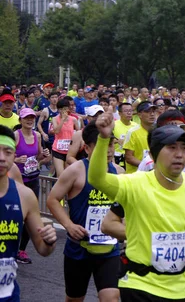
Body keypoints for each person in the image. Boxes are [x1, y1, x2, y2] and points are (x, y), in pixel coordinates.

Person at [88, 115, 185, 301]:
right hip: (140, 285)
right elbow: (97, 179)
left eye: (184, 148)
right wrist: (103, 138)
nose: (179, 154)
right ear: (153, 155)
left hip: (180, 287)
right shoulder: (135, 184)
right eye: (171, 148)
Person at [47, 122, 124, 302]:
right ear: (87, 148)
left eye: (111, 144)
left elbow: (124, 207)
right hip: (79, 249)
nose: (109, 150)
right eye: (102, 145)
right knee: (75, 299)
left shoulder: (119, 173)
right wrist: (69, 225)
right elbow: (52, 200)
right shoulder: (76, 170)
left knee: (111, 298)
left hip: (109, 249)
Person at [0, 124, 58, 301]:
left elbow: (43, 248)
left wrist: (49, 240)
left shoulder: (24, 196)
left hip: (7, 293)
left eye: (8, 152)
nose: (2, 158)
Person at [14, 108, 50, 264]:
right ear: (20, 120)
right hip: (17, 180)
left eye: (31, 118)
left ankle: (21, 250)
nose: (29, 120)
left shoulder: (37, 136)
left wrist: (45, 155)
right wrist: (16, 160)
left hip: (33, 179)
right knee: (15, 216)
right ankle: (9, 247)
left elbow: (38, 156)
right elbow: (6, 155)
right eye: (26, 118)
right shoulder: (16, 136)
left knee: (30, 217)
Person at [123, 101, 157, 173]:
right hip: (136, 176)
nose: (152, 114)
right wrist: (147, 166)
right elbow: (129, 157)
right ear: (139, 115)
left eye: (153, 111)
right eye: (148, 112)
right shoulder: (132, 132)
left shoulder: (159, 131)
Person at [52, 98, 80, 177]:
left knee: (68, 175)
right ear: (58, 110)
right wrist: (62, 120)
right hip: (58, 149)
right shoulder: (55, 119)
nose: (64, 111)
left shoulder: (73, 119)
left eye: (65, 108)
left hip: (70, 150)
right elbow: (56, 131)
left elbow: (78, 132)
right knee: (60, 175)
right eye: (61, 109)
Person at [113, 103, 137, 167]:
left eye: (130, 111)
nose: (129, 113)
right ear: (119, 113)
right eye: (126, 111)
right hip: (118, 160)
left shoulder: (136, 126)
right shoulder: (113, 125)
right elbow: (106, 140)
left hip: (133, 159)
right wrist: (117, 141)